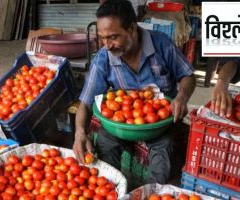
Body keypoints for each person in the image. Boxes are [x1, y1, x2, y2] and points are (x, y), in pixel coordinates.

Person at [73, 0, 196, 184]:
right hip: (122, 125)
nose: (107, 45)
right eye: (103, 38)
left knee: (164, 155)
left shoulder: (161, 44)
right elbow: (86, 102)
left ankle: (153, 194)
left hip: (160, 124)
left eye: (113, 37)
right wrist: (80, 132)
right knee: (105, 145)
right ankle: (112, 190)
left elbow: (188, 76)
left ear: (132, 28)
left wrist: (181, 97)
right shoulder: (103, 58)